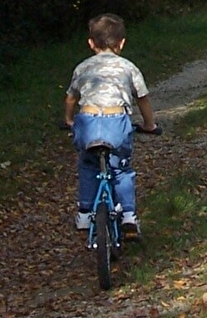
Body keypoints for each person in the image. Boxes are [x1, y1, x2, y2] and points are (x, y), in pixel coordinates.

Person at [64, 13, 158, 237]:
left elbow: (71, 98)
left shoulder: (83, 68)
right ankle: (127, 214)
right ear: (122, 43)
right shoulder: (128, 68)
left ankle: (85, 213)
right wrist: (149, 124)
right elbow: (142, 98)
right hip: (116, 122)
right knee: (121, 168)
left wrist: (69, 120)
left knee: (88, 165)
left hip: (87, 121)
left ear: (90, 43)